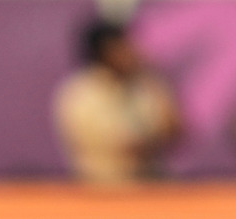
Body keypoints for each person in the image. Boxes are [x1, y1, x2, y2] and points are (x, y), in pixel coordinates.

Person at [53, 20, 182, 185]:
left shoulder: (144, 85)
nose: (132, 52)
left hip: (152, 186)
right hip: (104, 190)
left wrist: (157, 85)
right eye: (122, 48)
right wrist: (156, 134)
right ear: (104, 52)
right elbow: (125, 144)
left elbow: (175, 132)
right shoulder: (82, 95)